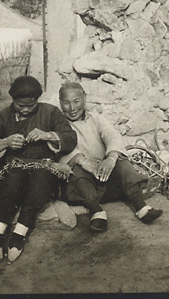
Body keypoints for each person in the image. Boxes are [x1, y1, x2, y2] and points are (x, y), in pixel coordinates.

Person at [0, 76, 77, 262]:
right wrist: (4, 142)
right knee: (13, 179)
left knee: (40, 181)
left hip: (43, 167)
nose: (25, 109)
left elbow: (70, 138)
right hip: (11, 168)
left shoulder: (50, 112)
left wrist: (48, 135)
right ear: (13, 100)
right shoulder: (2, 116)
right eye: (20, 106)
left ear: (37, 100)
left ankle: (19, 234)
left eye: (30, 106)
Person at [58, 82, 163, 232]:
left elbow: (113, 136)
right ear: (60, 102)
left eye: (76, 101)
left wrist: (110, 159)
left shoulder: (95, 118)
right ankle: (97, 213)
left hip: (104, 178)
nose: (72, 108)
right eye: (66, 103)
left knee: (122, 161)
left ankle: (142, 207)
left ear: (84, 98)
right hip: (84, 186)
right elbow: (60, 148)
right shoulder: (58, 124)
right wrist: (84, 161)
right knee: (75, 172)